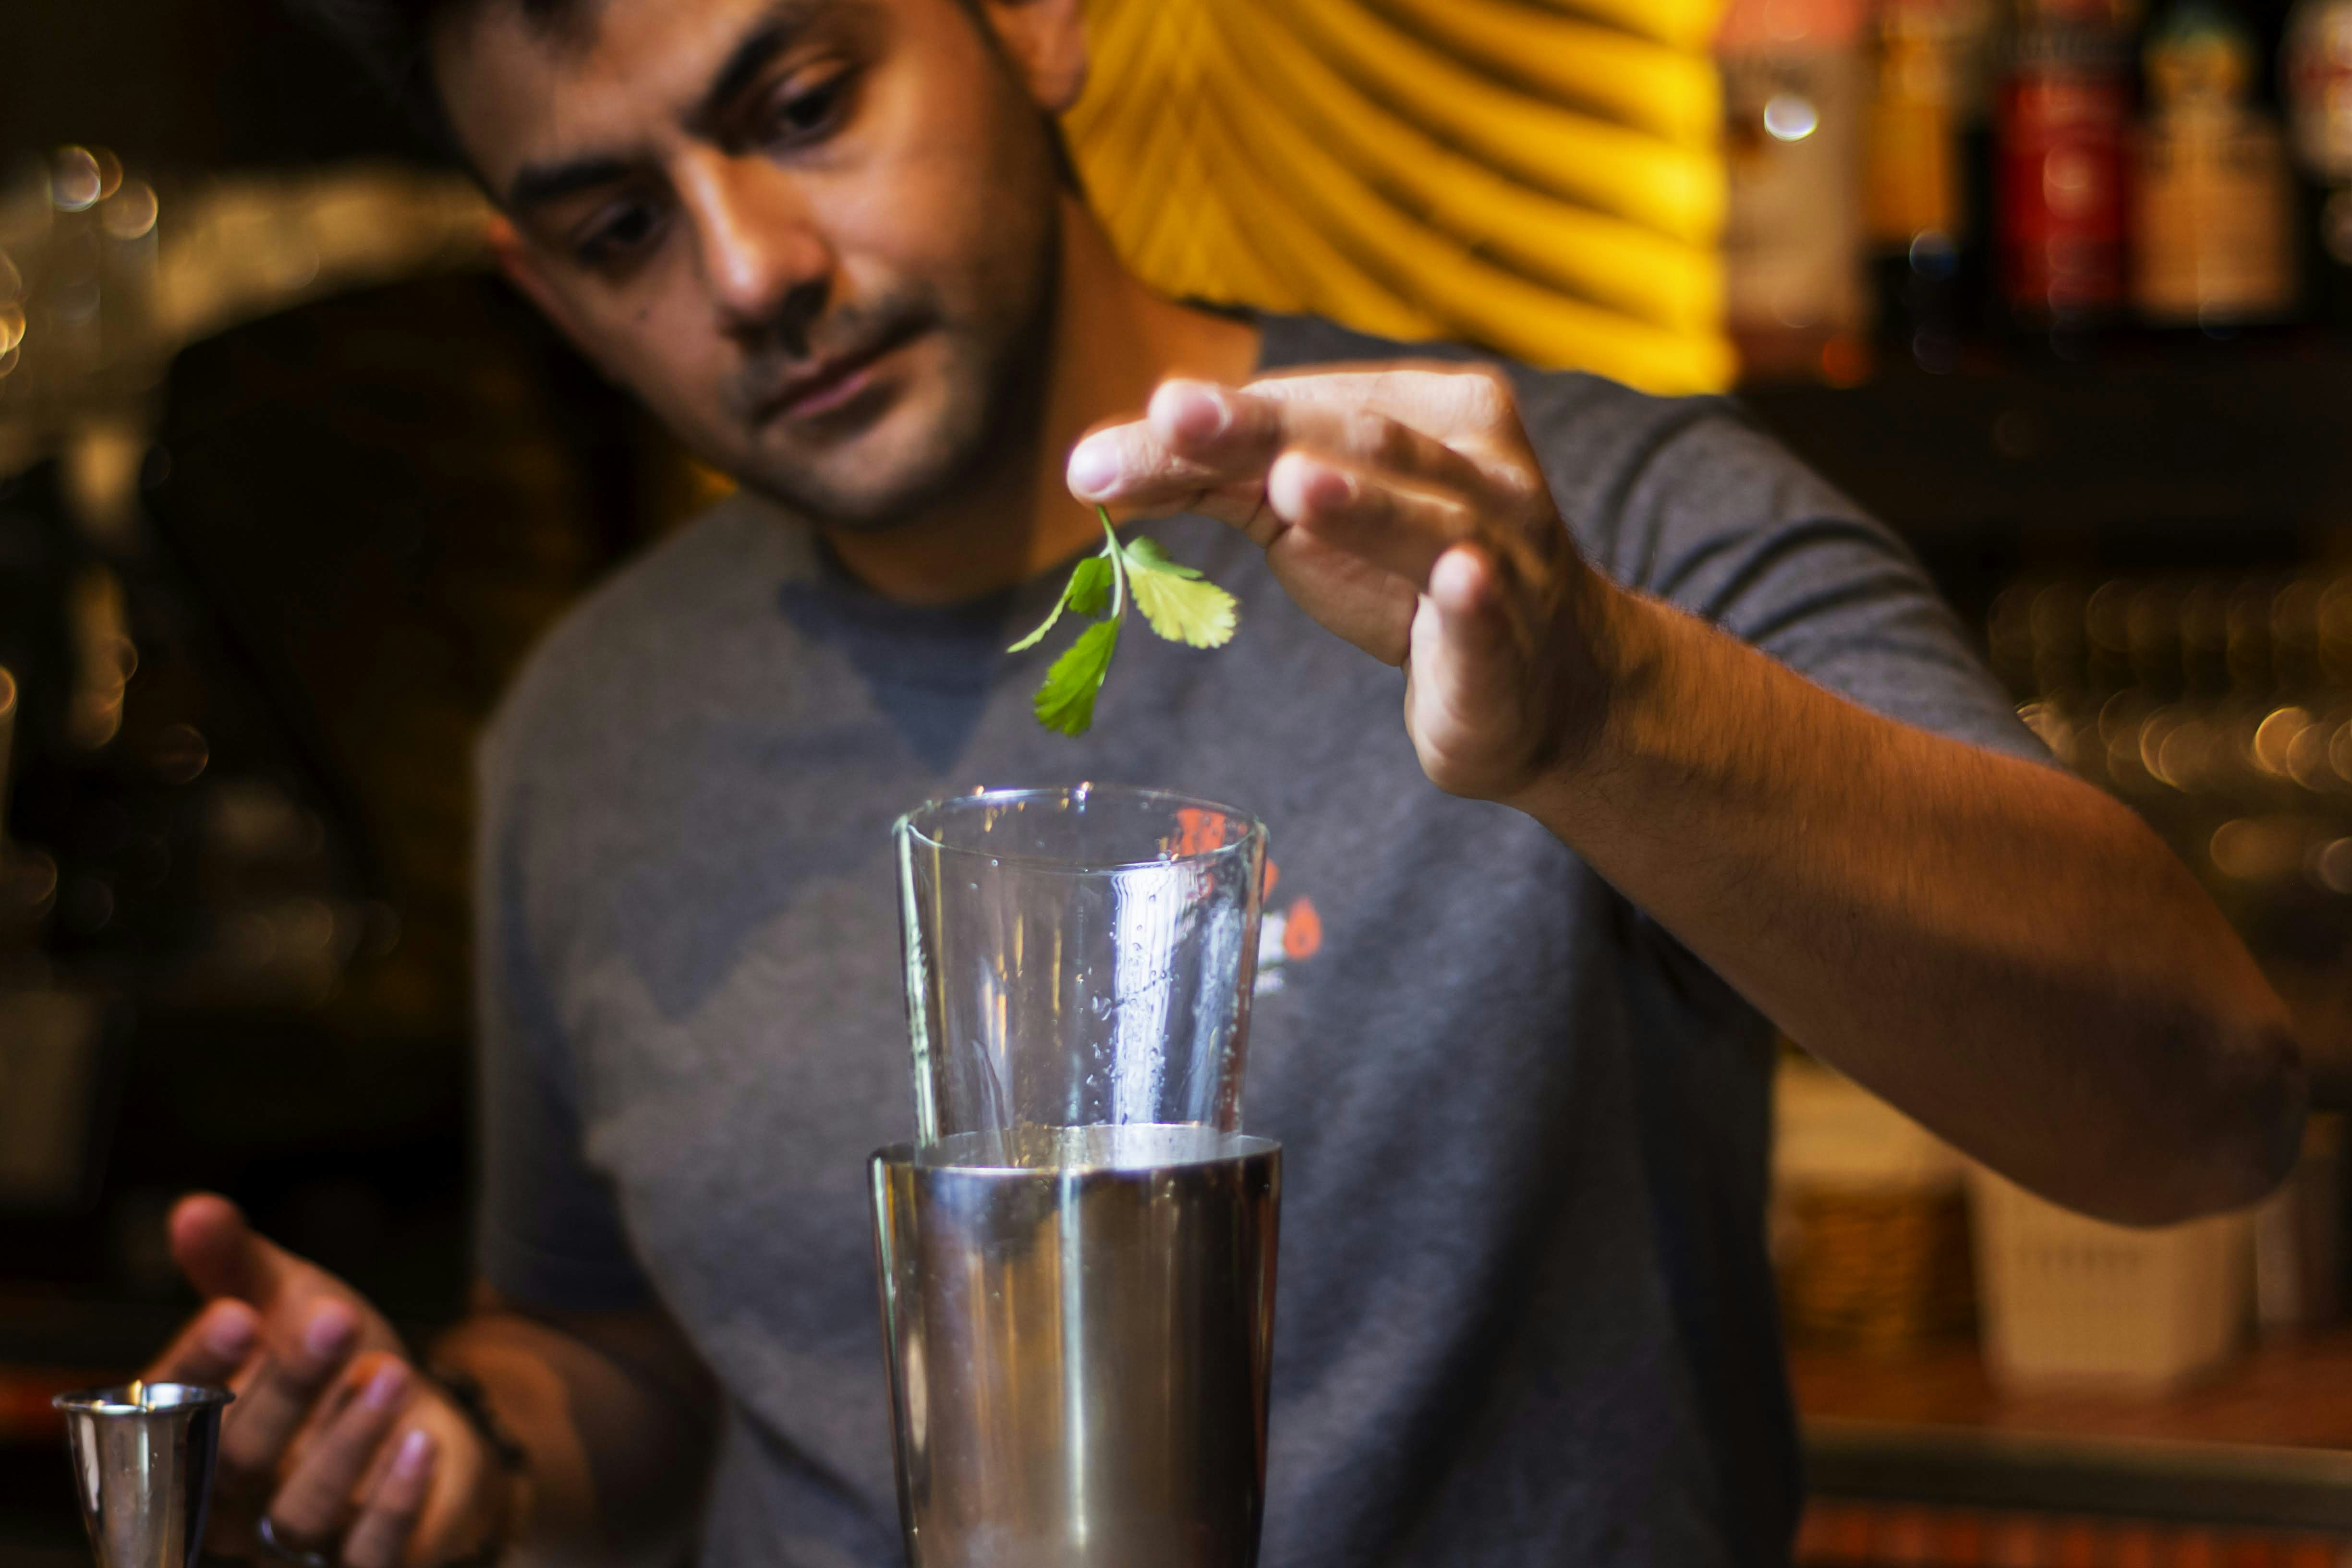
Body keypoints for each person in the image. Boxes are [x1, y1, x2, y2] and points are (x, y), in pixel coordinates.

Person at [140, 0, 2307, 1564]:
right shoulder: (586, 731)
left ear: (1038, 19)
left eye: (805, 102)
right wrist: (466, 1446)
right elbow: (613, 1339)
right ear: (538, 284)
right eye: (616, 227)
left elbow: (2198, 1099)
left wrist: (1600, 714)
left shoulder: (1578, 526)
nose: (748, 273)